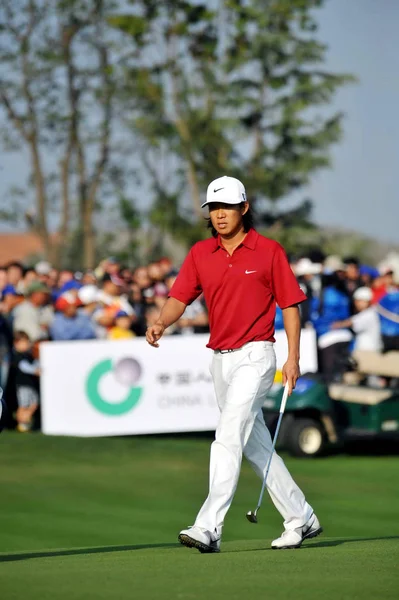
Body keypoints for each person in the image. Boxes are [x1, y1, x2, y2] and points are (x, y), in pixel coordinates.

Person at [146, 175, 322, 552]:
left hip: (257, 356)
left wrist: (293, 357)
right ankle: (301, 516)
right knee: (255, 447)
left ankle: (209, 527)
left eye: (227, 207)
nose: (220, 215)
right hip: (220, 360)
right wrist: (162, 321)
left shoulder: (268, 251)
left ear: (244, 208)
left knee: (227, 436)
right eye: (214, 208)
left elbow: (290, 305)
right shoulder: (200, 253)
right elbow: (180, 297)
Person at [331, 286, 382, 352]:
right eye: (356, 301)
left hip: (368, 351)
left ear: (368, 301)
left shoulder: (369, 313)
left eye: (360, 301)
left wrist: (338, 325)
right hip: (366, 349)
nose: (356, 303)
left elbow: (351, 322)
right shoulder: (368, 312)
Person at [10, 331, 41, 432]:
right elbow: (24, 367)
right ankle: (21, 424)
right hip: (22, 385)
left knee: (34, 403)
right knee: (23, 405)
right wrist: (35, 370)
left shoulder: (28, 355)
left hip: (30, 385)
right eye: (24, 342)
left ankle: (24, 421)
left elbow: (34, 363)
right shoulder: (17, 356)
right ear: (16, 343)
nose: (27, 344)